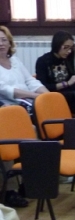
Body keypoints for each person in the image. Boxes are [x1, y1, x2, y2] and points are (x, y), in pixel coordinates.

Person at [0, 26, 48, 208]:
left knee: (38, 129)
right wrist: (35, 96)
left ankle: (32, 181)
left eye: (4, 40)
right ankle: (11, 189)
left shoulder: (15, 61)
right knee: (21, 135)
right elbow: (5, 90)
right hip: (6, 109)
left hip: (24, 106)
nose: (1, 44)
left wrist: (47, 94)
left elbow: (31, 81)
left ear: (9, 42)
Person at [35, 31, 75, 114]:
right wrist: (67, 83)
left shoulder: (67, 58)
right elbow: (43, 86)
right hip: (53, 94)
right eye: (66, 47)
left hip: (68, 91)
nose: (69, 51)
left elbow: (70, 77)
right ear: (57, 45)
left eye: (71, 48)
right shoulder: (43, 61)